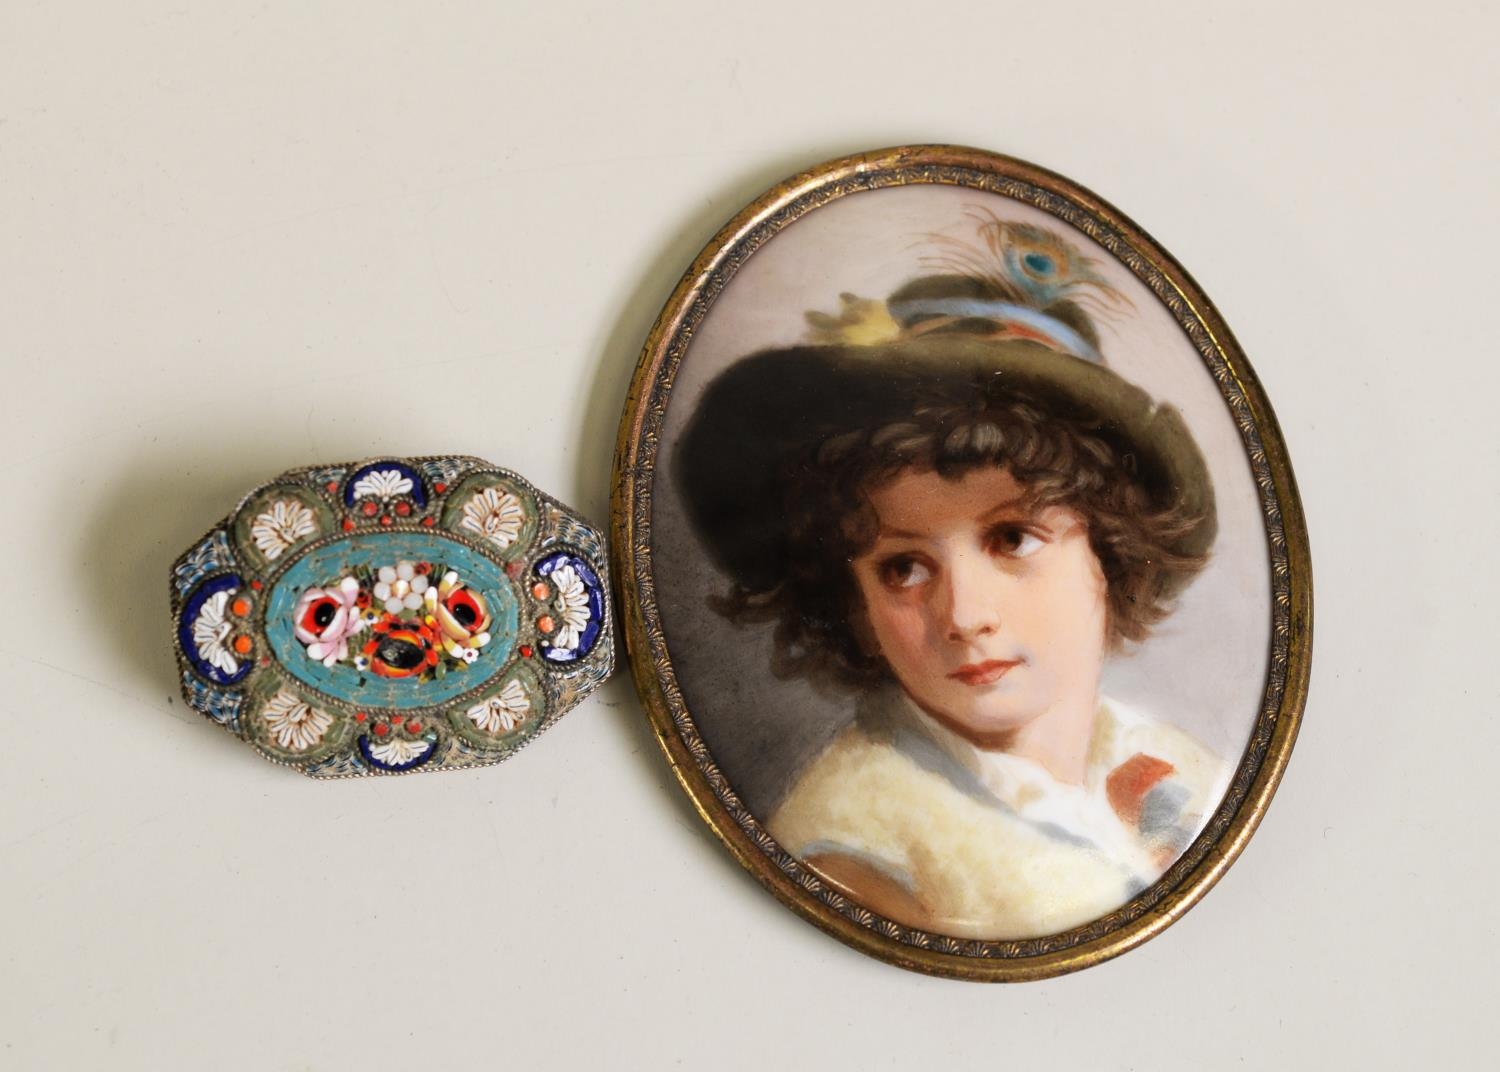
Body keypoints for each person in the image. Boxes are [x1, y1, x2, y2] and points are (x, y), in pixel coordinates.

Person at [675, 215, 1231, 940]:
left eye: (1011, 538)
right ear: (854, 606)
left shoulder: (1170, 761)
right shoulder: (855, 848)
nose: (964, 615)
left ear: (1110, 552)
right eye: (903, 567)